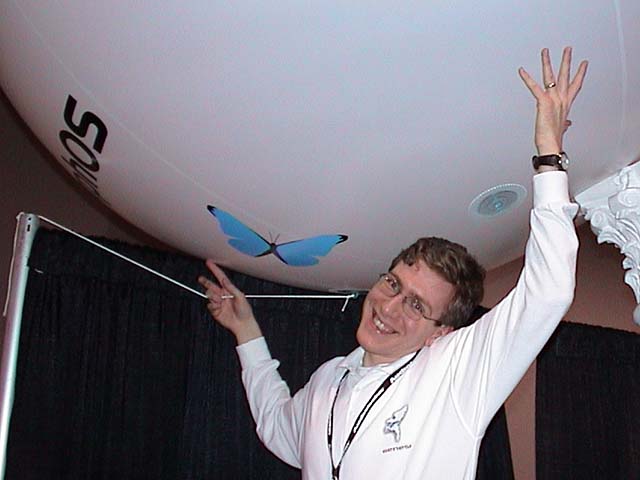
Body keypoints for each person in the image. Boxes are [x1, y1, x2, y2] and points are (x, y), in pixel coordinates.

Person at [198, 47, 588, 480]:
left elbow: (548, 293)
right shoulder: (329, 380)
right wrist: (246, 331)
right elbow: (276, 425)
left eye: (417, 305)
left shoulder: (453, 373)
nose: (388, 306)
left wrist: (549, 156)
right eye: (393, 284)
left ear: (439, 333)